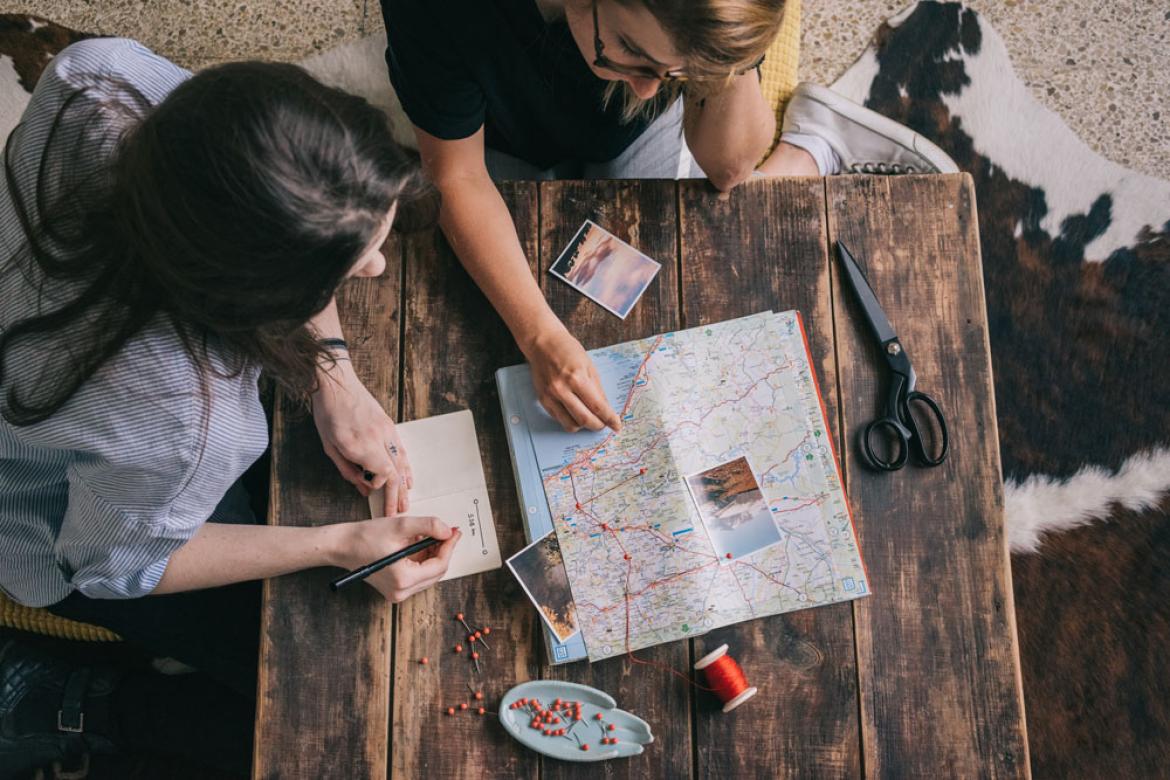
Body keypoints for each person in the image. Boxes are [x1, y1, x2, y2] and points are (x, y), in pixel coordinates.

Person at [0, 38, 457, 774]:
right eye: (345, 266)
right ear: (255, 298)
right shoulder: (184, 427)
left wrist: (333, 374)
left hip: (45, 370)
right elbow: (110, 567)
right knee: (309, 687)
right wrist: (335, 546)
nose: (375, 267)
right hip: (39, 525)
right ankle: (78, 702)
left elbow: (245, 191)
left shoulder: (97, 78)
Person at [379, 0, 957, 437]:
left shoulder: (661, 64)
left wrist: (718, 57)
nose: (648, 86)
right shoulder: (438, 10)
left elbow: (727, 166)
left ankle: (808, 143)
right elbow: (457, 176)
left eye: (673, 74)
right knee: (505, 287)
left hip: (623, 128)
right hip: (493, 130)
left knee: (701, 230)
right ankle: (807, 151)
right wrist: (540, 335)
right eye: (630, 50)